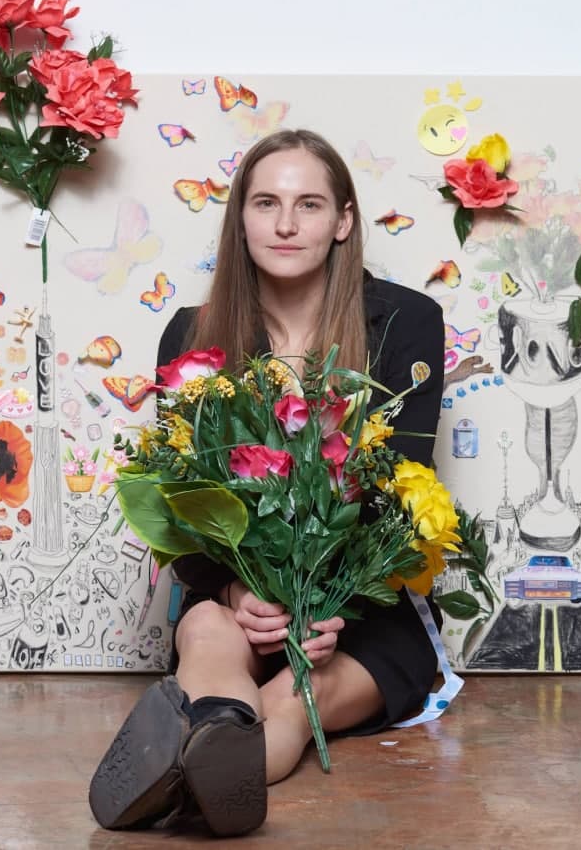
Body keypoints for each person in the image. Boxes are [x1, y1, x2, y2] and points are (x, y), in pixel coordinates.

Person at [88, 129, 446, 836]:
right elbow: (179, 499)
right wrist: (233, 591)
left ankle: (198, 774)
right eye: (266, 203)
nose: (285, 224)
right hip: (235, 597)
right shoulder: (190, 335)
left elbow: (403, 489)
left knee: (293, 696)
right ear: (240, 218)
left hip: (360, 618)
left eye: (309, 204)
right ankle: (207, 754)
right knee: (210, 635)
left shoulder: (405, 323)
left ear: (343, 221)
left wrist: (325, 604)